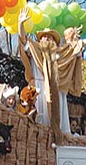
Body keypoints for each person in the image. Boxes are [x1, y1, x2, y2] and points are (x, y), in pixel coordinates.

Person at [17, 7, 63, 139]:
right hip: (37, 89)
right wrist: (21, 24)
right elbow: (23, 40)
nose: (47, 40)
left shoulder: (58, 58)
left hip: (54, 91)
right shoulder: (35, 50)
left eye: (50, 38)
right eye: (45, 37)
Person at [57, 25, 86, 134]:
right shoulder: (65, 48)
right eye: (71, 35)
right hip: (63, 78)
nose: (74, 37)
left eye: (74, 34)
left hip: (70, 79)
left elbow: (83, 43)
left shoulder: (76, 46)